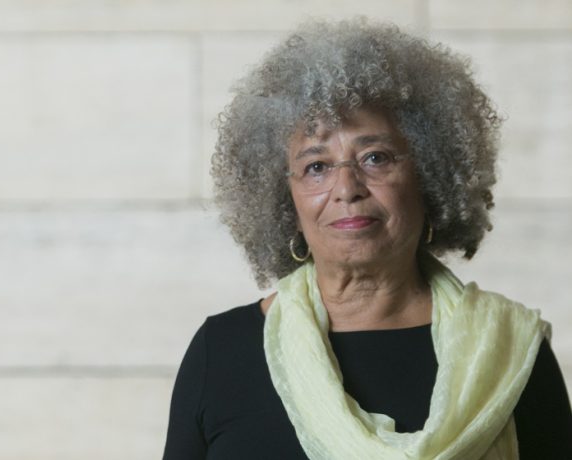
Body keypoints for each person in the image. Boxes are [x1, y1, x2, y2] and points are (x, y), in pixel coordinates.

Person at [162, 18, 572, 459]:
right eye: (316, 166)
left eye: (375, 158)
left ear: (430, 178)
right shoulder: (222, 352)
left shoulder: (511, 352)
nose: (346, 188)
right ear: (286, 201)